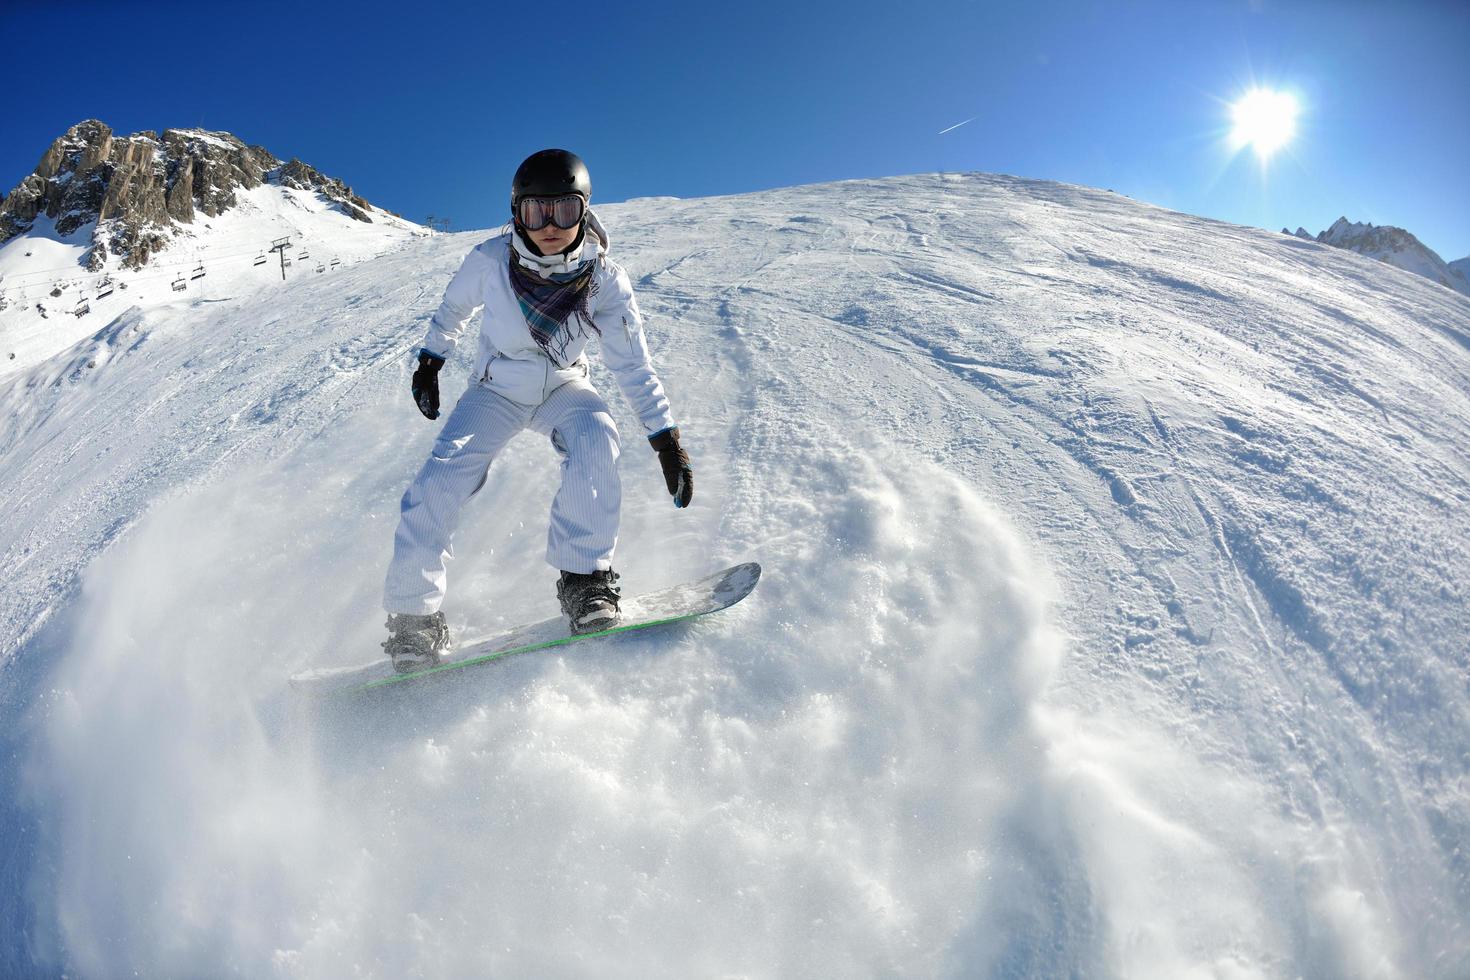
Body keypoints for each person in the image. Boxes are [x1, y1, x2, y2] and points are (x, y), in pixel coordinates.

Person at [380, 149, 693, 674]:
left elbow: (633, 366)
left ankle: (585, 582)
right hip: (495, 388)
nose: (549, 226)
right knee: (439, 480)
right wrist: (431, 361)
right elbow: (453, 309)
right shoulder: (489, 260)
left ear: (585, 212)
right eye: (535, 212)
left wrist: (665, 438)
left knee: (597, 436)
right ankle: (415, 619)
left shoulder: (604, 280)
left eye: (564, 211)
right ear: (516, 212)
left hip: (565, 384)